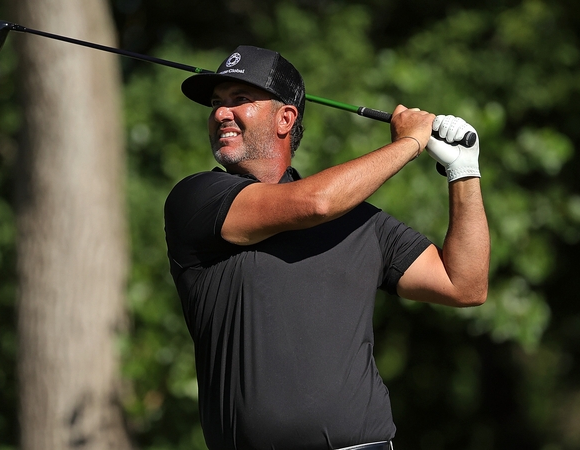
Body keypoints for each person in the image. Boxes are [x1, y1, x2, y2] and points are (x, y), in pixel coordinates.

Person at [164, 45, 490, 450]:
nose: (220, 114)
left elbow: (465, 285)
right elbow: (315, 203)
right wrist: (409, 144)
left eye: (239, 100)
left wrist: (463, 171)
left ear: (286, 118)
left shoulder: (359, 221)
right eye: (216, 103)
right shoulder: (198, 199)